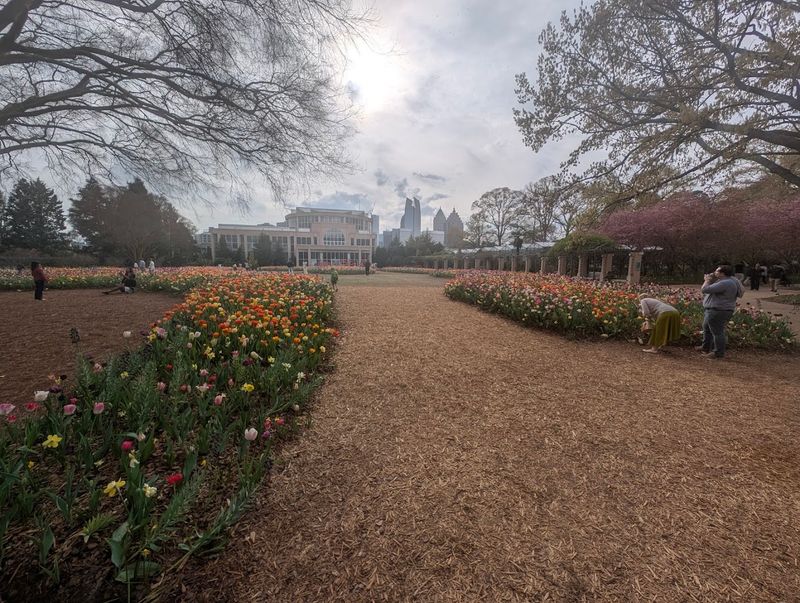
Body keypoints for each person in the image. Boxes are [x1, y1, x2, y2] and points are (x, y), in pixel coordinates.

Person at [698, 265, 744, 359]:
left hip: (718, 310)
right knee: (706, 327)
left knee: (717, 332)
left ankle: (718, 352)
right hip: (715, 309)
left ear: (723, 273)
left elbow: (705, 289)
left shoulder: (726, 283)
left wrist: (706, 280)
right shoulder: (727, 281)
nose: (715, 272)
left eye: (717, 271)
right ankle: (705, 347)